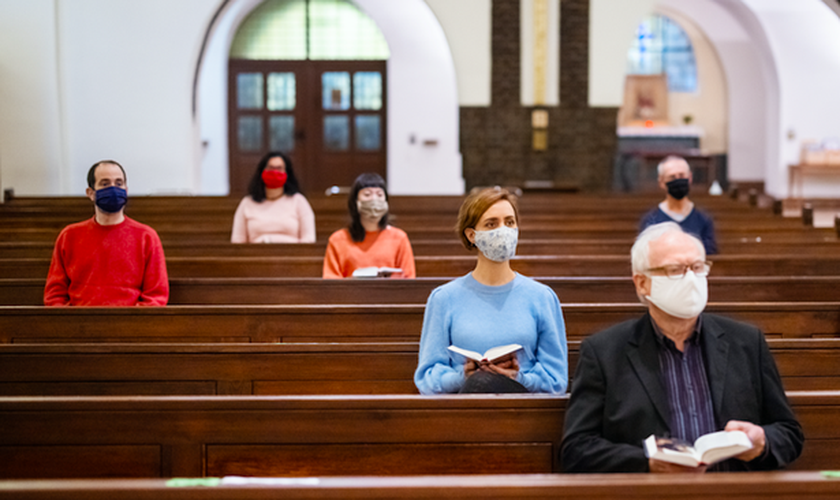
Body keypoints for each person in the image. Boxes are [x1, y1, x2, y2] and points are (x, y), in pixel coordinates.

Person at [561, 222, 803, 473]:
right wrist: (646, 462)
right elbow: (577, 449)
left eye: (697, 268)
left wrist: (762, 441)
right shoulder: (604, 352)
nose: (691, 279)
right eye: (675, 270)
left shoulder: (746, 342)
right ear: (642, 283)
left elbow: (789, 434)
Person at [414, 187, 568, 394]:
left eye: (509, 222)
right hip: (462, 409)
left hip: (525, 409)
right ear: (471, 235)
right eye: (491, 224)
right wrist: (463, 376)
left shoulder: (542, 297)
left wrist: (518, 377)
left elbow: (556, 379)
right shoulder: (444, 298)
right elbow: (427, 378)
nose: (503, 230)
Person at [44, 160, 169, 306]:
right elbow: (55, 295)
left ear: (126, 190)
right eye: (105, 184)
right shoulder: (69, 236)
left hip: (130, 325)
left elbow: (156, 296)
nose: (113, 189)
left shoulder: (146, 237)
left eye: (119, 183)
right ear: (90, 193)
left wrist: (131, 323)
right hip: (79, 324)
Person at [322, 173, 415, 278]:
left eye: (380, 195)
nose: (374, 200)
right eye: (367, 195)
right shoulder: (337, 240)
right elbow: (331, 282)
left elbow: (408, 279)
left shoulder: (399, 238)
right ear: (356, 202)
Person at [231, 151, 316, 243]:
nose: (275, 172)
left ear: (287, 173)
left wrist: (269, 240)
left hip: (292, 255)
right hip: (256, 255)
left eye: (279, 168)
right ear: (262, 172)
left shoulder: (299, 201)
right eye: (271, 168)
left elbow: (309, 239)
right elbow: (237, 241)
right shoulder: (247, 203)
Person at [639, 156, 717, 254]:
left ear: (690, 178)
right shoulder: (651, 219)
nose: (678, 180)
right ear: (662, 182)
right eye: (672, 177)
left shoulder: (703, 219)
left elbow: (710, 253)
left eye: (681, 176)